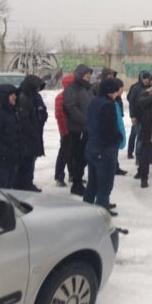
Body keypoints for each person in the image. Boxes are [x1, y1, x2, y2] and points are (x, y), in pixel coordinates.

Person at [83, 78, 123, 215]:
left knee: (93, 182)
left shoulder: (94, 102)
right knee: (105, 182)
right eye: (116, 90)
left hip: (92, 146)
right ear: (110, 91)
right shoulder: (108, 106)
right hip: (105, 149)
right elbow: (109, 129)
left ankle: (86, 207)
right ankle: (102, 209)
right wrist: (118, 138)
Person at [63, 64, 94, 195]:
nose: (89, 77)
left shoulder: (87, 88)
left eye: (89, 75)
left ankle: (78, 179)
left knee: (85, 156)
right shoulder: (72, 88)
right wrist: (85, 120)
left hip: (87, 128)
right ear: (80, 75)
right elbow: (71, 108)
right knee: (78, 156)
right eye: (86, 74)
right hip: (77, 129)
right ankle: (76, 184)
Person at [17, 75, 47, 192]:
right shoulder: (24, 98)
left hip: (35, 132)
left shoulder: (34, 97)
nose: (38, 90)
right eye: (37, 87)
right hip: (28, 136)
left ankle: (28, 182)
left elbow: (42, 112)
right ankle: (25, 184)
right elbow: (24, 120)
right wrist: (33, 132)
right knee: (26, 160)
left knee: (31, 159)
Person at [54, 74, 74, 187]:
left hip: (74, 129)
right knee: (64, 154)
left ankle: (72, 174)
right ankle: (59, 176)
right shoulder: (62, 97)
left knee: (73, 153)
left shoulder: (72, 96)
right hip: (66, 130)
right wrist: (64, 131)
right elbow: (60, 116)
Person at [126, 71, 151, 159]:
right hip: (137, 116)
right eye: (144, 78)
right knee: (136, 135)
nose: (146, 80)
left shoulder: (150, 88)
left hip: (147, 117)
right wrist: (132, 115)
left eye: (148, 78)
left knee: (145, 137)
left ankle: (147, 155)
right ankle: (133, 153)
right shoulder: (136, 88)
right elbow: (131, 101)